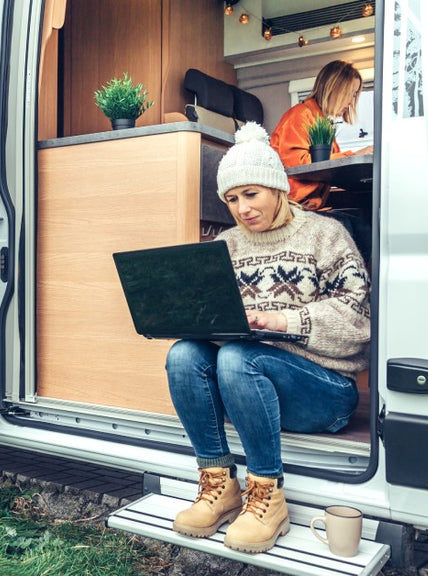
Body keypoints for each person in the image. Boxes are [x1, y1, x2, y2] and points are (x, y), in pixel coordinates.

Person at [167, 122, 370, 554]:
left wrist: (281, 321)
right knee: (184, 353)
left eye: (251, 194)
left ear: (278, 189)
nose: (242, 208)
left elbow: (358, 323)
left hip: (326, 391)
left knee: (241, 356)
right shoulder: (226, 244)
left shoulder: (325, 234)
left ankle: (267, 494)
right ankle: (218, 483)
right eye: (232, 199)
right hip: (248, 385)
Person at [270, 60, 374, 210]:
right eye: (350, 94)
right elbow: (298, 163)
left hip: (313, 205)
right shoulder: (300, 115)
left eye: (354, 95)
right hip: (295, 205)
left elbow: (332, 168)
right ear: (333, 90)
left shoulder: (322, 124)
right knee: (359, 220)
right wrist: (354, 155)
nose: (351, 102)